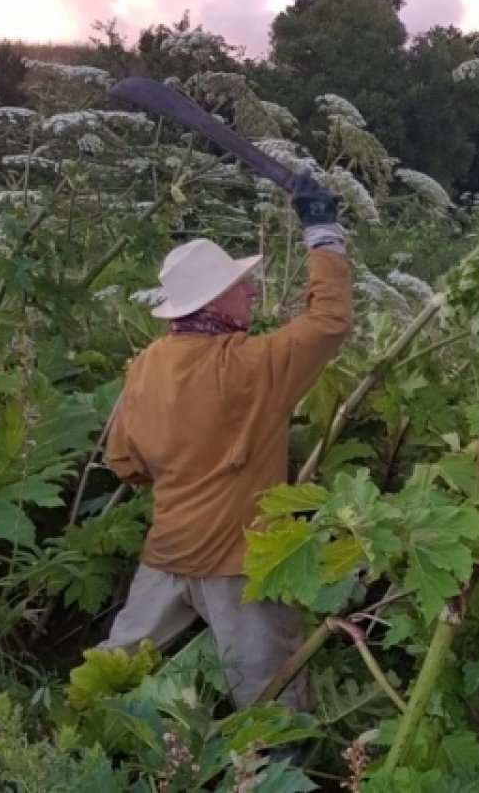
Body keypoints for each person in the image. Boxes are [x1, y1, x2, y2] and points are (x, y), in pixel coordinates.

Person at [100, 174, 352, 712]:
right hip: (242, 563)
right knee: (272, 706)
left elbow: (123, 460)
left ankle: (64, 748)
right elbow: (330, 321)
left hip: (168, 553)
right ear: (216, 299)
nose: (251, 291)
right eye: (242, 286)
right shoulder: (251, 366)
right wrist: (323, 234)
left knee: (112, 670)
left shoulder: (145, 365)